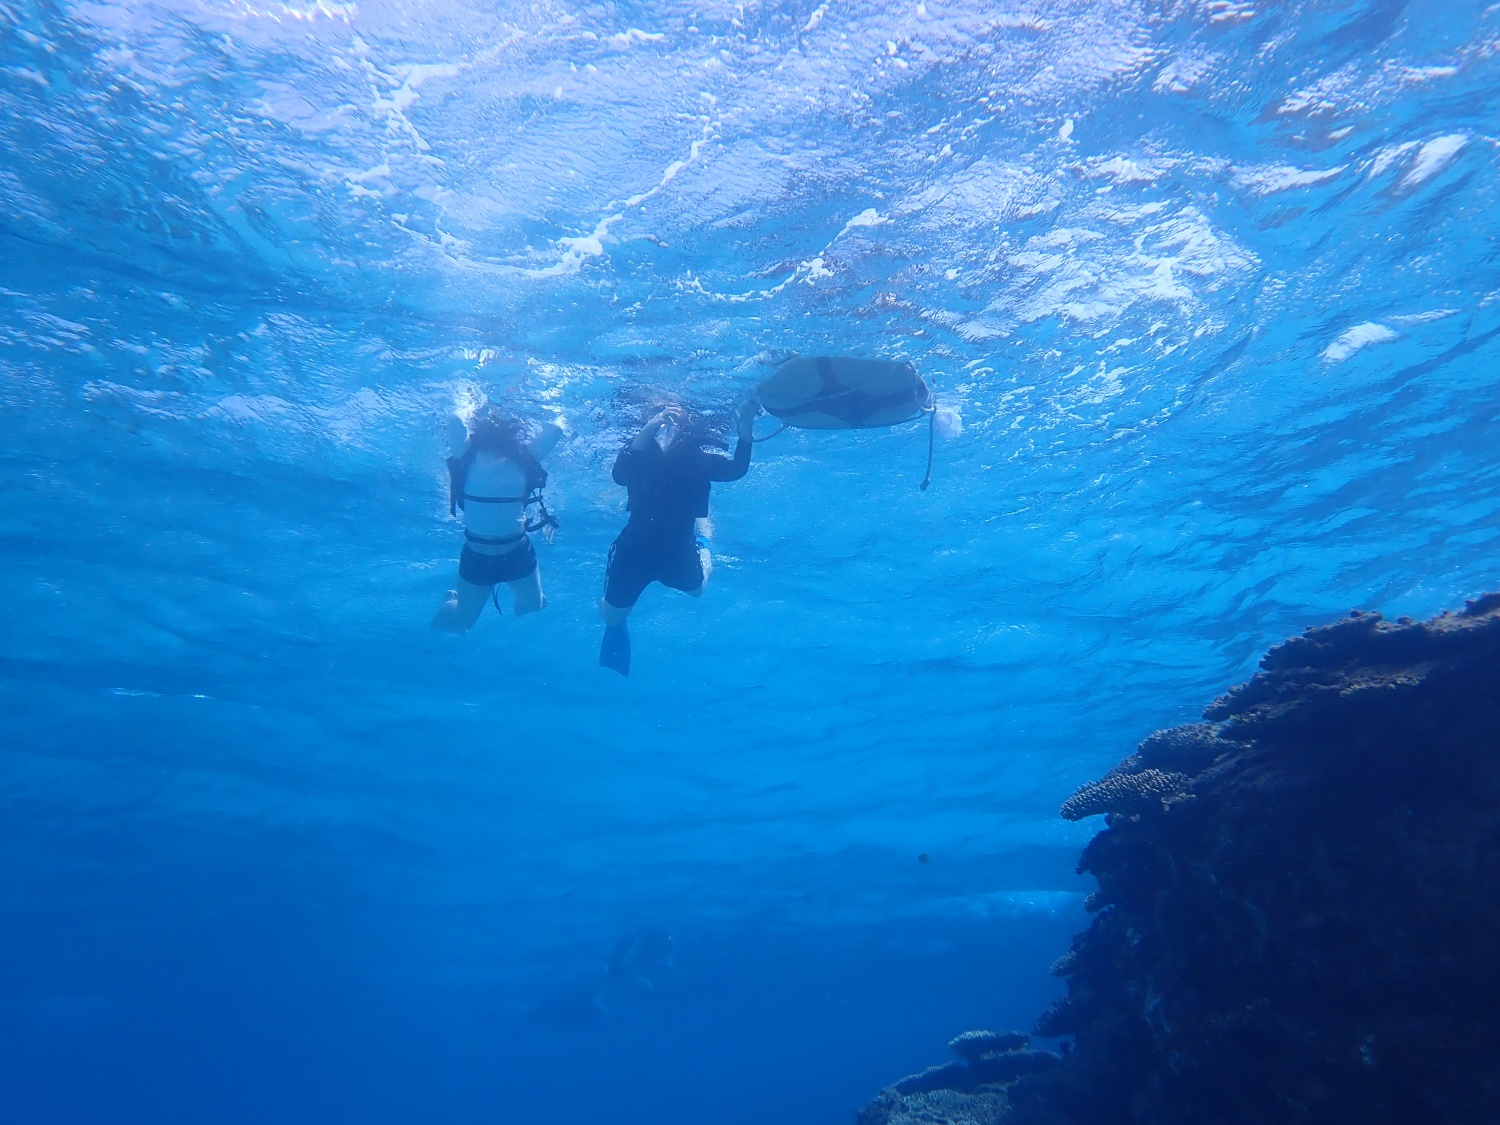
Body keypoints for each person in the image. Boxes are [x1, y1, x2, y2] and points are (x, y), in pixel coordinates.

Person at [598, 399, 758, 675]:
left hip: (679, 547)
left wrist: (746, 424)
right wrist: (650, 426)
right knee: (610, 618)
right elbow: (619, 476)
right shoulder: (640, 455)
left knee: (696, 591)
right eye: (661, 408)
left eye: (676, 407)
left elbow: (737, 469)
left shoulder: (700, 460)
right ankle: (618, 620)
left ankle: (704, 543)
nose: (669, 409)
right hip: (633, 549)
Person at [432, 404, 563, 632]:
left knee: (536, 605)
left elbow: (455, 418)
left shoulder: (522, 458)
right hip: (485, 556)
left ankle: (519, 597)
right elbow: (556, 430)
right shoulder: (472, 455)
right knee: (462, 623)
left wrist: (467, 405)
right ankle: (449, 601)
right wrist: (553, 411)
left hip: (512, 554)